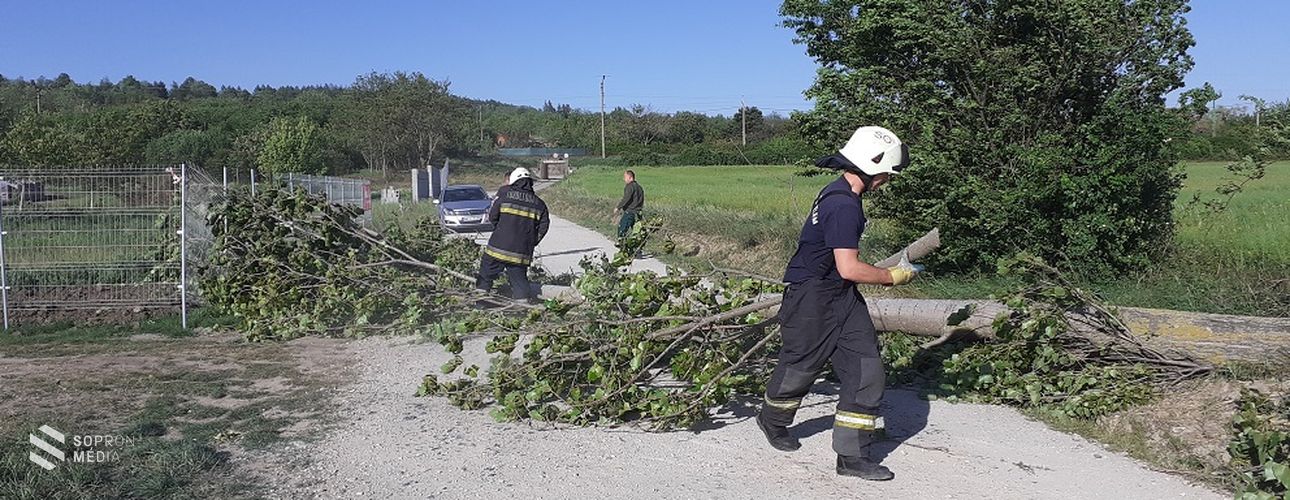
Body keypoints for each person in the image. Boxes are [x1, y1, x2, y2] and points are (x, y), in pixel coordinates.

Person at [756, 126, 919, 481]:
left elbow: (842, 271)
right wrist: (892, 277)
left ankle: (851, 456)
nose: (886, 181)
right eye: (886, 175)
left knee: (867, 368)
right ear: (871, 168)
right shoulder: (843, 204)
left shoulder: (841, 192)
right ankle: (772, 419)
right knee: (801, 365)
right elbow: (849, 267)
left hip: (839, 295)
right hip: (811, 296)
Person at [476, 168, 550, 302]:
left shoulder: (504, 195)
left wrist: (501, 231)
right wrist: (531, 241)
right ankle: (521, 313)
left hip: (496, 249)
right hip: (520, 254)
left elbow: (492, 216)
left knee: (485, 278)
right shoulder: (540, 204)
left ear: (514, 181)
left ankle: (480, 307)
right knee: (520, 285)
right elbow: (544, 227)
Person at [614, 170, 645, 238]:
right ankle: (637, 246)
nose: (624, 179)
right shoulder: (639, 187)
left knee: (622, 229)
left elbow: (626, 198)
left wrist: (618, 207)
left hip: (630, 212)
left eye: (625, 177)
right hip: (638, 213)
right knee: (637, 232)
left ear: (631, 178)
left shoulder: (629, 186)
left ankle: (622, 244)